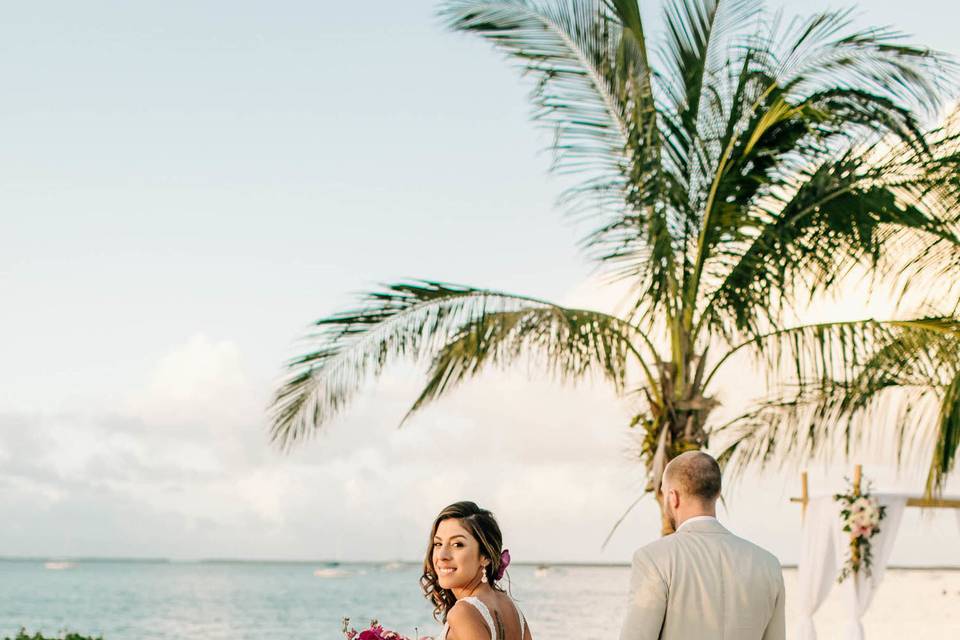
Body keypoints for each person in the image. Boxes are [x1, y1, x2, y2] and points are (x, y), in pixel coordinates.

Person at [619, 451, 786, 640]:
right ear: (716, 493)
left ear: (673, 497)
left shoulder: (653, 559)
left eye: (664, 494)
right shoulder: (768, 564)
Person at [421, 501, 532, 640]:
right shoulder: (510, 607)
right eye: (438, 544)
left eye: (457, 544)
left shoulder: (463, 613)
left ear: (485, 556)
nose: (442, 555)